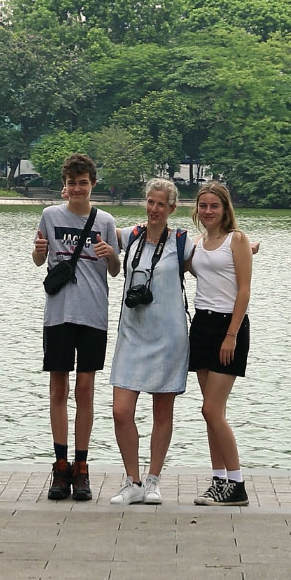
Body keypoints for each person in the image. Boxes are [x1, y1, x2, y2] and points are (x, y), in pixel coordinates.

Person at [32, 154, 120, 501]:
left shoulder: (106, 221)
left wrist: (108, 254)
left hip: (93, 314)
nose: (77, 189)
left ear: (93, 185)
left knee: (85, 389)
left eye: (83, 183)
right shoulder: (50, 216)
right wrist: (39, 251)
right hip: (59, 314)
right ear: (64, 185)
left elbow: (114, 269)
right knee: (58, 389)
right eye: (71, 183)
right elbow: (41, 260)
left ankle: (82, 467)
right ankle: (60, 464)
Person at [108, 178, 187, 505]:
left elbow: (215, 255)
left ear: (171, 208)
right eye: (150, 203)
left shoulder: (182, 243)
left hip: (169, 337)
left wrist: (243, 247)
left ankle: (153, 480)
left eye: (161, 204)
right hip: (133, 335)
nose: (154, 209)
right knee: (120, 410)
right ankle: (132, 481)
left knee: (162, 411)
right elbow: (96, 229)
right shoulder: (131, 236)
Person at [188, 181, 253, 506]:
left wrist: (231, 335)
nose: (209, 211)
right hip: (201, 324)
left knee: (211, 408)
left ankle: (237, 484)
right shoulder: (198, 243)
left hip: (229, 327)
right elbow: (180, 263)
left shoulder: (236, 239)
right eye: (204, 206)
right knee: (212, 413)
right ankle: (219, 480)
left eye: (215, 206)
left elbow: (243, 290)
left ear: (225, 208)